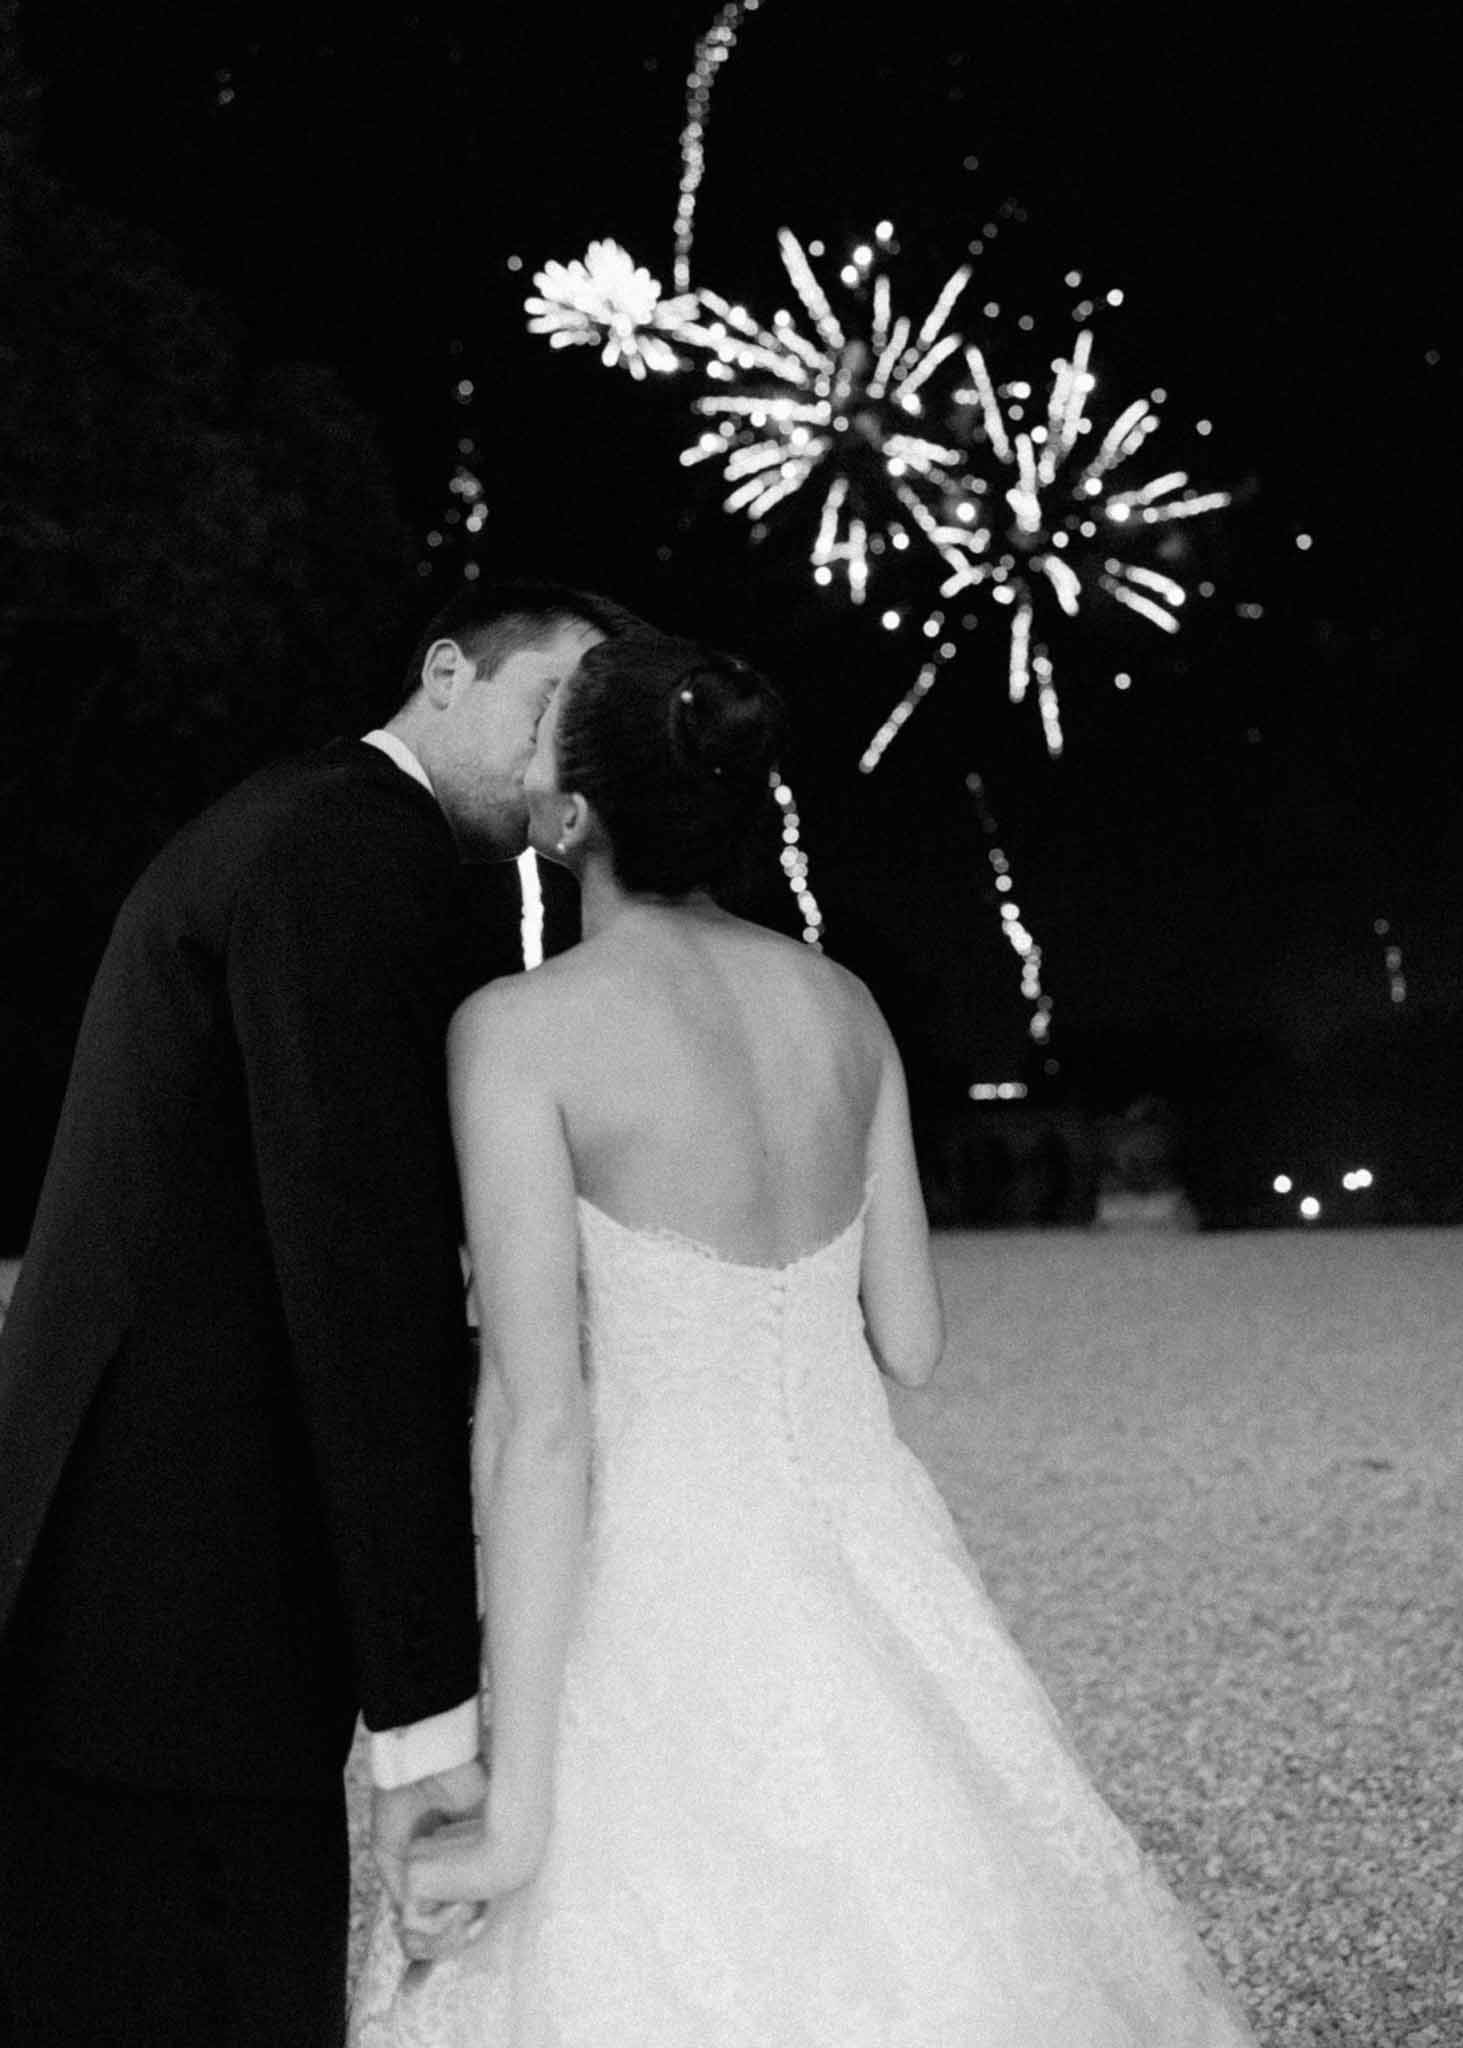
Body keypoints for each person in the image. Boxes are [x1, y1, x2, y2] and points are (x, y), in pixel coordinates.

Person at [350, 633, 1260, 2045]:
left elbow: (538, 1426)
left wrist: (515, 1802)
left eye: (543, 750)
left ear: (575, 815)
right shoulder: (843, 1008)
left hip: (651, 1591)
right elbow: (910, 1337)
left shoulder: (520, 1034)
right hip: (869, 1566)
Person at [0, 579, 643, 2047]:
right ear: (442, 674)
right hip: (169, 1625)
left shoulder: (321, 832)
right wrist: (428, 1716)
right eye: (550, 707)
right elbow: (360, 1283)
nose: (569, 763)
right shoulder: (347, 854)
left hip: (122, 1602)